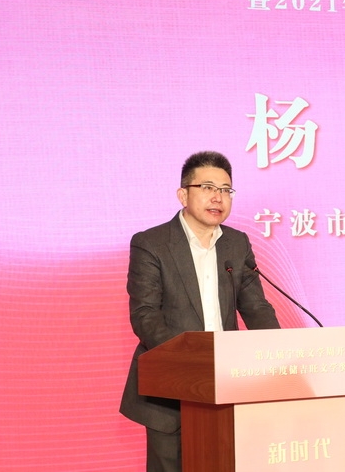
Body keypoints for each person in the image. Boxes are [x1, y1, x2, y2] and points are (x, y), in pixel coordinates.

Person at [119, 151, 280, 472]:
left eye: (225, 190)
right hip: (170, 389)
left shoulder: (236, 243)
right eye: (207, 187)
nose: (217, 197)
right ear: (183, 195)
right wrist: (195, 363)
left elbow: (256, 307)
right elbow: (146, 316)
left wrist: (280, 353)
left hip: (228, 386)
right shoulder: (151, 243)